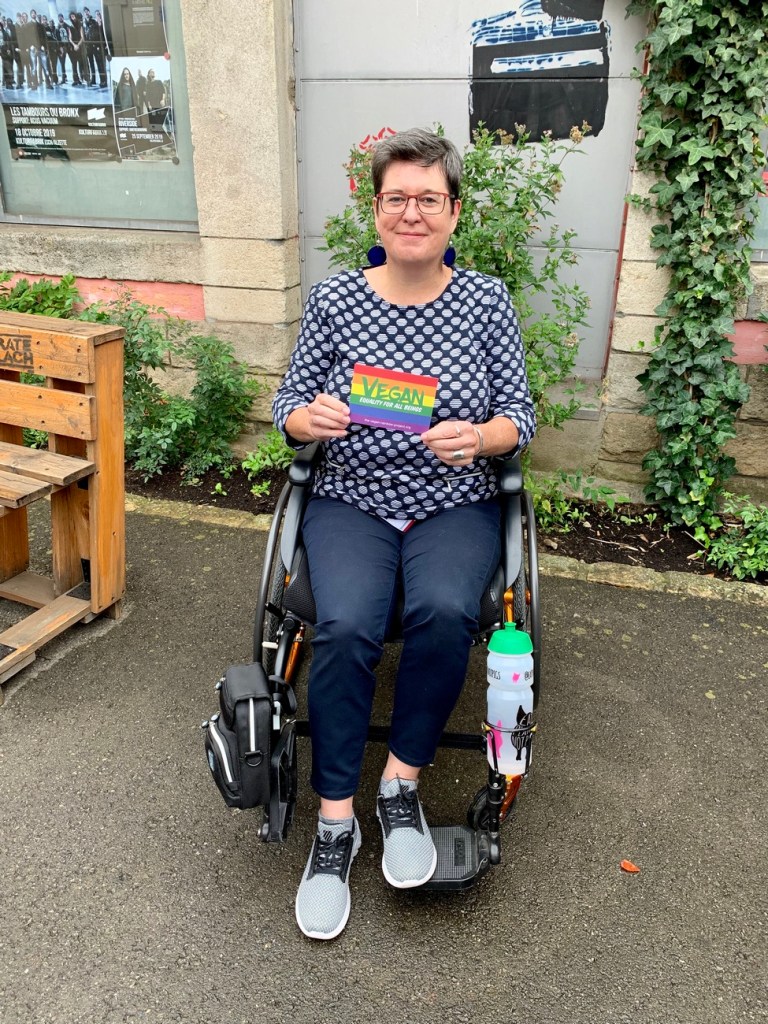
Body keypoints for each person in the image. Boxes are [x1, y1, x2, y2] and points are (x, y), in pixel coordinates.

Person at [272, 128, 536, 940]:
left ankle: (400, 784)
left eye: (429, 198)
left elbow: (520, 418)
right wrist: (306, 418)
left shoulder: (486, 302)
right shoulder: (336, 300)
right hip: (353, 495)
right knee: (345, 625)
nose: (412, 213)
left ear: (454, 212)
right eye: (397, 199)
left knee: (448, 613)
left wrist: (483, 439)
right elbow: (288, 407)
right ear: (376, 210)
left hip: (452, 498)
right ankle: (335, 822)